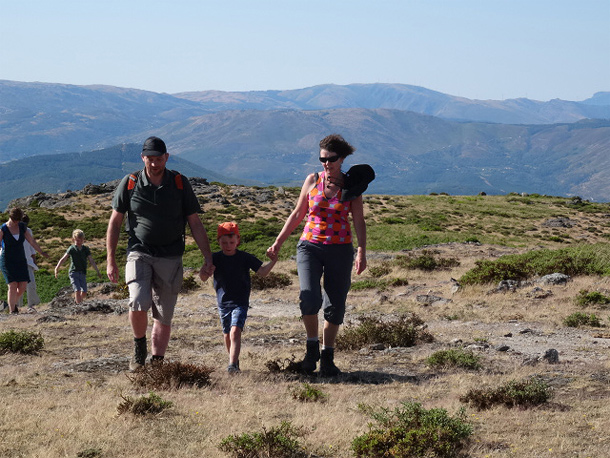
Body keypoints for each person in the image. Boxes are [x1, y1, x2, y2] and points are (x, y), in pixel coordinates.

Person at [106, 136, 215, 371]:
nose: (154, 164)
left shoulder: (179, 183)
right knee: (137, 301)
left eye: (159, 159)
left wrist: (208, 257)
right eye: (150, 159)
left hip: (170, 256)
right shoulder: (130, 182)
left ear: (166, 157)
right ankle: (139, 348)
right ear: (143, 158)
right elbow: (115, 222)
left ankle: (157, 363)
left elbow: (194, 222)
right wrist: (111, 260)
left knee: (163, 314)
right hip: (139, 251)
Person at [267, 134, 369, 377]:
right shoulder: (312, 180)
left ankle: (327, 357)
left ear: (342, 158)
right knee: (309, 298)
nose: (326, 163)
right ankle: (311, 346)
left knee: (335, 304)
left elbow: (359, 221)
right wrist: (278, 242)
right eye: (322, 158)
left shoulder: (352, 186)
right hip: (309, 247)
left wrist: (361, 251)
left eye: (331, 159)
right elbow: (298, 213)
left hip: (340, 249)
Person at [204, 222, 278, 373]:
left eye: (231, 242)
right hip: (223, 303)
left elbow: (262, 272)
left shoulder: (245, 257)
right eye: (224, 242)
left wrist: (274, 261)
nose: (228, 245)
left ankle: (232, 366)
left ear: (238, 240)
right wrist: (206, 270)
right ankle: (234, 361)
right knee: (227, 334)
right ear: (218, 241)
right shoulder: (214, 258)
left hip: (240, 302)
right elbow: (203, 277)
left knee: (235, 331)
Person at [0, 208, 48, 314]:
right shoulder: (3, 229)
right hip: (7, 260)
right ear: (10, 217)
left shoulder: (22, 227)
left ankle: (11, 304)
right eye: (15, 219)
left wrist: (41, 252)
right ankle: (13, 310)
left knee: (22, 285)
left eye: (18, 219)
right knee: (12, 285)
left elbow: (31, 241)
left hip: (21, 259)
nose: (16, 221)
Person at [54, 229, 102, 304]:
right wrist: (57, 268)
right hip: (73, 272)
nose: (78, 242)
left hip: (82, 272)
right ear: (73, 239)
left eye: (80, 240)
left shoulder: (86, 249)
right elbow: (63, 258)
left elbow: (91, 260)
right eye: (76, 240)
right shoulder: (72, 248)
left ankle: (77, 301)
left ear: (83, 240)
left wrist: (97, 271)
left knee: (84, 292)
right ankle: (78, 305)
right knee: (77, 290)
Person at [17, 214, 41, 312]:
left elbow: (31, 246)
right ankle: (17, 305)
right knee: (17, 284)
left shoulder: (28, 231)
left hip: (28, 261)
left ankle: (31, 304)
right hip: (17, 262)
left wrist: (34, 259)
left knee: (31, 284)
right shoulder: (13, 231)